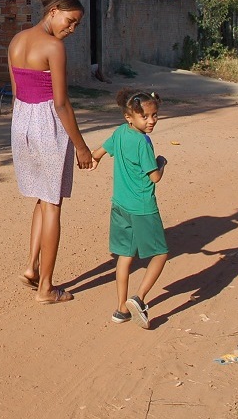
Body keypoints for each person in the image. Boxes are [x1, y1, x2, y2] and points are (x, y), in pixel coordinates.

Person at [8, 0, 95, 304]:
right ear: (53, 11)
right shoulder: (53, 47)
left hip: (22, 123)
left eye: (76, 24)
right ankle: (46, 288)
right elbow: (61, 103)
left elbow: (17, 90)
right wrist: (82, 148)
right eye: (70, 21)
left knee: (41, 199)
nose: (72, 29)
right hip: (47, 124)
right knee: (53, 204)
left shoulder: (17, 40)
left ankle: (31, 269)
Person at [90, 89, 169, 329]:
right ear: (129, 117)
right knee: (161, 253)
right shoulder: (143, 142)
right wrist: (161, 163)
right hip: (142, 207)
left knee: (125, 256)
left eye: (155, 115)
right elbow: (154, 177)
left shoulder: (120, 133)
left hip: (120, 205)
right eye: (145, 117)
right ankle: (139, 298)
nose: (152, 121)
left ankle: (121, 310)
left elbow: (98, 153)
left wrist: (93, 159)